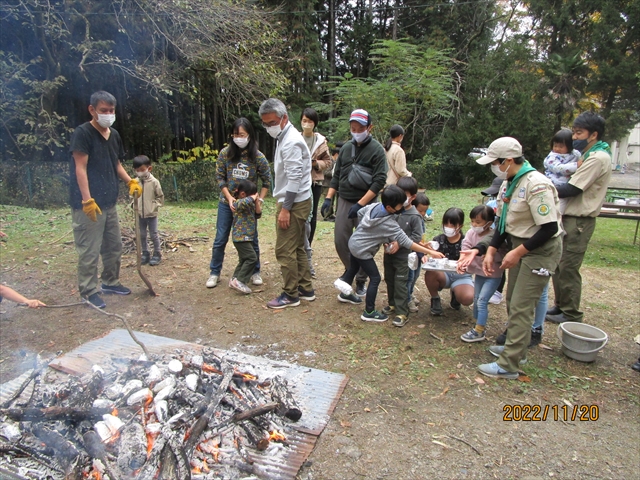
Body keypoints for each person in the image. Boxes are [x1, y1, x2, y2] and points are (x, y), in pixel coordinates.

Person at [461, 136, 562, 379]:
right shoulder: (509, 182)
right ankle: (515, 349)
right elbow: (503, 223)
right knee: (513, 300)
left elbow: (548, 228)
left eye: (494, 162)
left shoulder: (536, 184)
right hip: (520, 245)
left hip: (538, 249)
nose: (492, 167)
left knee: (522, 305)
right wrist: (492, 249)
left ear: (508, 160)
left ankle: (509, 365)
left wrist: (518, 252)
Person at [69, 90, 142, 309]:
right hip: (88, 205)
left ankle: (110, 282)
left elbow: (116, 163)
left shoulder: (114, 135)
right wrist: (86, 200)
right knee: (89, 250)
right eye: (103, 111)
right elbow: (80, 168)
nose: (108, 114)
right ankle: (88, 292)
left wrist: (130, 181)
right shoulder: (83, 133)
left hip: (109, 202)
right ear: (92, 110)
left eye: (111, 111)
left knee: (113, 246)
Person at [333, 185, 443, 322]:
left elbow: (361, 213)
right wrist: (430, 251)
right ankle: (369, 311)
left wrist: (367, 232)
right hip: (362, 250)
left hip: (354, 242)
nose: (401, 208)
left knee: (354, 267)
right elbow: (407, 242)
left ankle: (345, 293)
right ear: (390, 208)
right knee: (375, 278)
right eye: (399, 206)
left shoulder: (376, 206)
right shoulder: (389, 223)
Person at [546, 112, 612, 324]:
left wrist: (542, 188)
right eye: (573, 132)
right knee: (558, 264)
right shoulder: (584, 155)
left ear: (593, 135)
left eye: (579, 133)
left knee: (568, 267)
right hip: (568, 217)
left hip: (579, 221)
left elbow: (571, 188)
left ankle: (571, 313)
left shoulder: (597, 158)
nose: (574, 137)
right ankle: (560, 305)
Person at [321, 109, 388, 298]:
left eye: (360, 128)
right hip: (344, 199)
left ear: (369, 128)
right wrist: (328, 198)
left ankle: (360, 280)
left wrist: (360, 204)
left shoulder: (377, 150)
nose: (356, 131)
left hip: (366, 203)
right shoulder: (346, 148)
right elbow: (337, 175)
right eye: (353, 128)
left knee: (363, 243)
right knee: (341, 239)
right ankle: (350, 270)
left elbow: (379, 181)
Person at [259, 98, 314, 309]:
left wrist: (286, 209)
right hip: (299, 199)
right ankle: (305, 288)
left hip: (294, 201)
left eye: (272, 122)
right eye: (265, 124)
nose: (269, 127)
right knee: (298, 245)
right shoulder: (286, 137)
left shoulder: (290, 141)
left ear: (284, 118)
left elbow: (294, 178)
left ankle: (291, 294)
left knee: (284, 249)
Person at [206, 118, 271, 289]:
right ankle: (214, 272)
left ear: (249, 135)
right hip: (226, 203)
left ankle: (255, 271)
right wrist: (229, 198)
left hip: (248, 206)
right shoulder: (225, 153)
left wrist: (260, 199)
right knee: (220, 238)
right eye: (235, 134)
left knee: (252, 238)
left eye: (242, 134)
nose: (238, 137)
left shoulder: (258, 156)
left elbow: (266, 181)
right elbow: (220, 178)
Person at [458, 205, 506, 342]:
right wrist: (463, 260)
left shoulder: (495, 237)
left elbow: (503, 253)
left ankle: (479, 330)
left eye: (478, 222)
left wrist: (492, 256)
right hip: (479, 273)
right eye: (472, 221)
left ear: (489, 223)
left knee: (482, 300)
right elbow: (466, 246)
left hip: (493, 275)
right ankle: (477, 321)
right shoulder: (470, 233)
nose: (474, 225)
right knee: (477, 298)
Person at [382, 177, 423, 327]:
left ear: (413, 197)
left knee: (401, 283)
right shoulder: (392, 212)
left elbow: (417, 237)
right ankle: (392, 304)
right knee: (389, 279)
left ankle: (401, 312)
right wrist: (385, 241)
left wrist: (400, 243)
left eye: (405, 195)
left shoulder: (414, 216)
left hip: (404, 257)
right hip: (389, 254)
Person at [424, 207, 474, 316]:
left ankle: (456, 295)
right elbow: (429, 254)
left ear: (460, 226)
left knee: (468, 298)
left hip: (461, 276)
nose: (448, 228)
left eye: (452, 225)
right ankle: (435, 298)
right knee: (430, 272)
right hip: (443, 275)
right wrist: (427, 253)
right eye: (446, 224)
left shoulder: (466, 242)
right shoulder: (438, 240)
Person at [300, 108, 332, 244]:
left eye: (310, 121)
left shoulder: (321, 141)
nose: (307, 124)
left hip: (314, 182)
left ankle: (309, 244)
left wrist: (315, 164)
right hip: (298, 181)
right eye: (304, 121)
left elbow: (328, 162)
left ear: (315, 123)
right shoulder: (295, 138)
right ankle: (298, 243)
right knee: (299, 213)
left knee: (312, 214)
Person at [229, 179, 262, 294]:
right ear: (243, 194)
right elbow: (242, 203)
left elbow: (258, 214)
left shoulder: (249, 204)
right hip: (240, 237)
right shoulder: (236, 202)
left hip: (247, 237)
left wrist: (257, 201)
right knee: (252, 258)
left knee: (243, 259)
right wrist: (252, 198)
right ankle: (241, 281)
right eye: (252, 195)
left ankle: (234, 279)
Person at [133, 155, 164, 266]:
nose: (140, 172)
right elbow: (132, 196)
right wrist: (133, 204)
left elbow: (160, 197)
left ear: (149, 168)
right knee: (141, 234)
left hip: (151, 214)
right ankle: (145, 253)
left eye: (142, 170)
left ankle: (157, 253)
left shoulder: (154, 182)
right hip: (139, 214)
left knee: (153, 234)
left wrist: (154, 206)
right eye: (137, 170)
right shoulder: (135, 182)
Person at [543, 128, 582, 214]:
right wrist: (576, 165)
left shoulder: (574, 154)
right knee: (557, 209)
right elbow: (558, 168)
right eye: (555, 145)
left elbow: (581, 157)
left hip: (566, 186)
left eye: (561, 146)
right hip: (554, 185)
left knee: (562, 208)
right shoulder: (552, 157)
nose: (557, 149)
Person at [407, 192, 431, 313]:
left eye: (424, 211)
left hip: (418, 252)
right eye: (420, 210)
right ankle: (407, 300)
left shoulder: (421, 220)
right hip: (410, 253)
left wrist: (424, 252)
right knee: (409, 277)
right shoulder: (411, 218)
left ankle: (410, 293)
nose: (422, 213)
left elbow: (422, 237)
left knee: (415, 275)